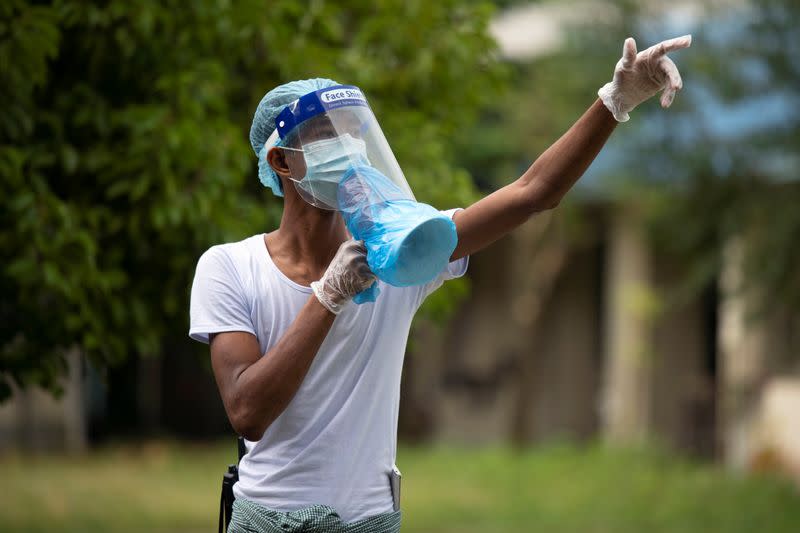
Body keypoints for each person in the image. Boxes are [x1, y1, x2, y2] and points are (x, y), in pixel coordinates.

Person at [189, 35, 691, 533]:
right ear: (280, 161)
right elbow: (247, 412)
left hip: (368, 520)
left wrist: (615, 101)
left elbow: (532, 193)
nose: (348, 147)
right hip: (266, 520)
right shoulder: (230, 267)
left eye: (351, 131)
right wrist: (329, 296)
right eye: (326, 135)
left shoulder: (404, 249)